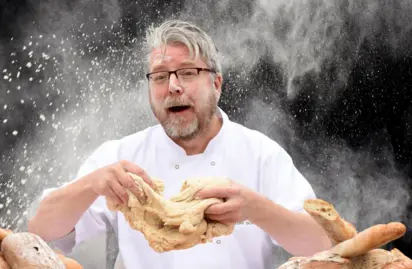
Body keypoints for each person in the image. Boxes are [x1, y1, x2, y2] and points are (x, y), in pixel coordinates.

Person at [28, 20, 332, 269]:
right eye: (160, 77)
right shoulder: (120, 157)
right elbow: (39, 232)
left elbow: (323, 244)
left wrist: (255, 209)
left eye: (188, 72)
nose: (173, 86)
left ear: (216, 83)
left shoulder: (260, 155)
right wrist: (91, 185)